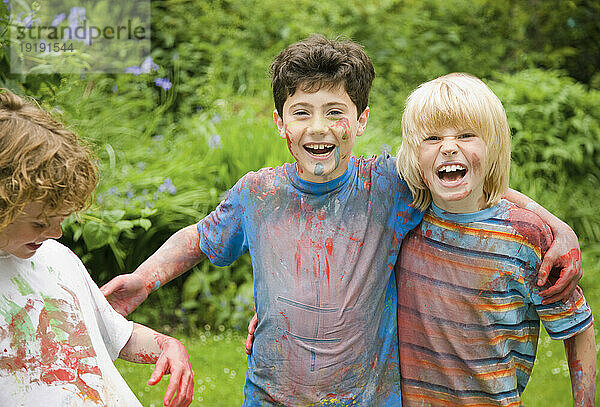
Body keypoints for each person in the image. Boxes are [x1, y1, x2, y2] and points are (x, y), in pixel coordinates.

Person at [102, 36, 584, 406]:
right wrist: (146, 278)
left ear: (360, 120)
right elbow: (200, 238)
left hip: (369, 396)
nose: (318, 127)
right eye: (301, 112)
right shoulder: (258, 194)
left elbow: (472, 184)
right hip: (271, 393)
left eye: (335, 112)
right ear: (280, 122)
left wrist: (556, 226)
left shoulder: (388, 186)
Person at [395, 73, 595, 406]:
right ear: (415, 154)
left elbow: (577, 328)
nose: (447, 147)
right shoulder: (402, 217)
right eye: (431, 138)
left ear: (494, 146)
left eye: (466, 135)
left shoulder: (526, 238)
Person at [0, 89, 194, 407]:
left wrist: (166, 346)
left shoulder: (57, 259)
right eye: (39, 223)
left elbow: (117, 335)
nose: (56, 232)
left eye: (60, 219)